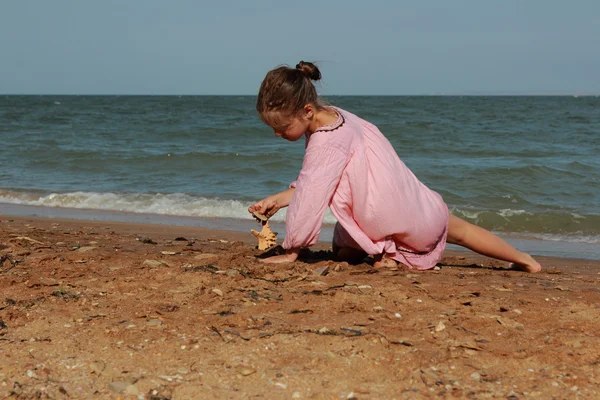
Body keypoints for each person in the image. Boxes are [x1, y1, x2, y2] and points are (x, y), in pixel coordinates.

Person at [248, 61, 541, 273]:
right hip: (417, 205)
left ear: (307, 111)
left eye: (282, 127)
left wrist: (293, 250)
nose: (278, 134)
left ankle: (389, 253)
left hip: (393, 222)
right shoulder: (337, 117)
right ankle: (524, 259)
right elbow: (320, 181)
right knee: (462, 232)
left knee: (343, 251)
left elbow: (313, 193)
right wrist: (278, 199)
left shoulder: (324, 142)